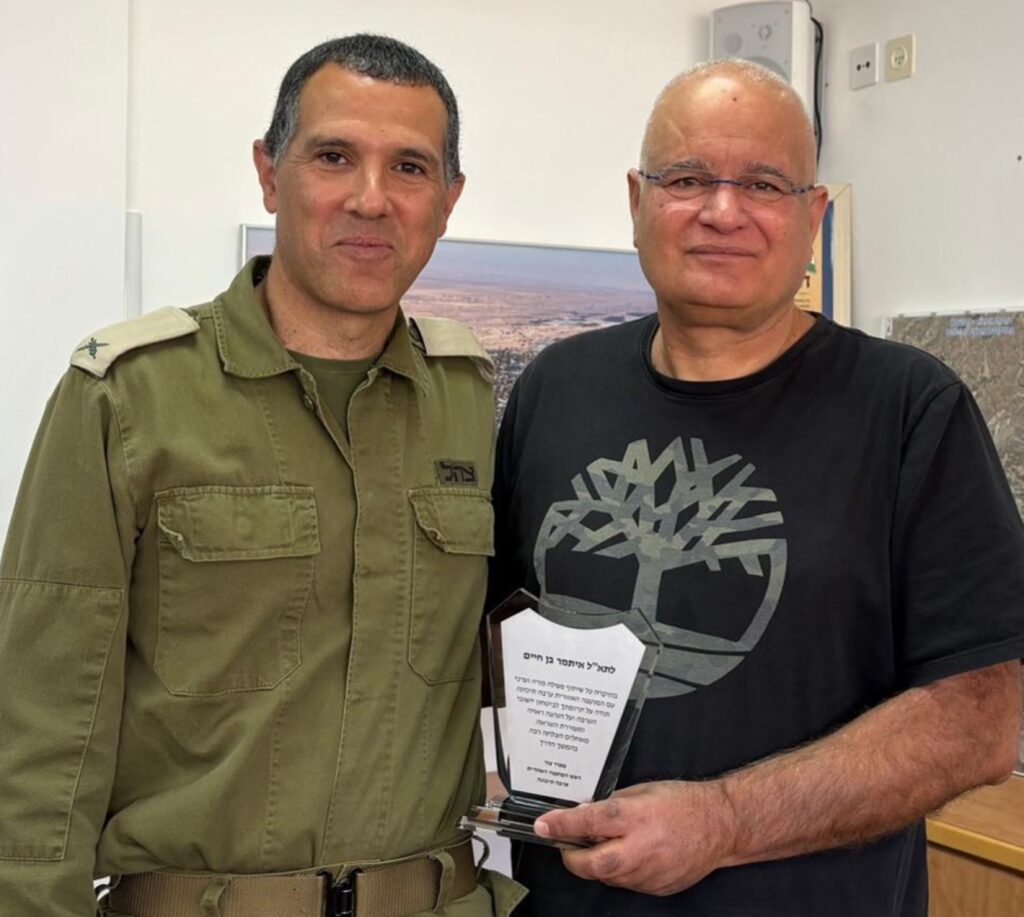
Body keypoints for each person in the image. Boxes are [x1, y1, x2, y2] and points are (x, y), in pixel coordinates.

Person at [0, 34, 525, 917]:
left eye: (409, 167)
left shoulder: (471, 400)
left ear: (448, 200)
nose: (371, 198)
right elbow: (40, 724)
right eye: (333, 156)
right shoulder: (129, 397)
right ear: (269, 173)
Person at [489, 60, 1024, 916]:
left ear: (813, 215)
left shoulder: (910, 410)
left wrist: (725, 821)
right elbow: (499, 632)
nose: (722, 210)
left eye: (765, 184)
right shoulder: (555, 386)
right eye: (687, 178)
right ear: (636, 200)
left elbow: (980, 720)